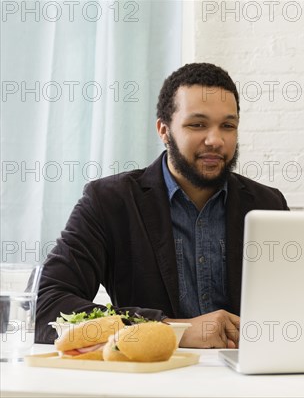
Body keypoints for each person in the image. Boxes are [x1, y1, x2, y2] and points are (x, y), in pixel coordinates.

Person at [35, 63, 289, 348]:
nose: (216, 140)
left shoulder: (268, 204)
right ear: (164, 130)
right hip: (151, 377)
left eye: (227, 126)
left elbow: (299, 304)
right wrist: (171, 330)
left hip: (249, 380)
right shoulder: (110, 201)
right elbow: (46, 306)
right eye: (197, 124)